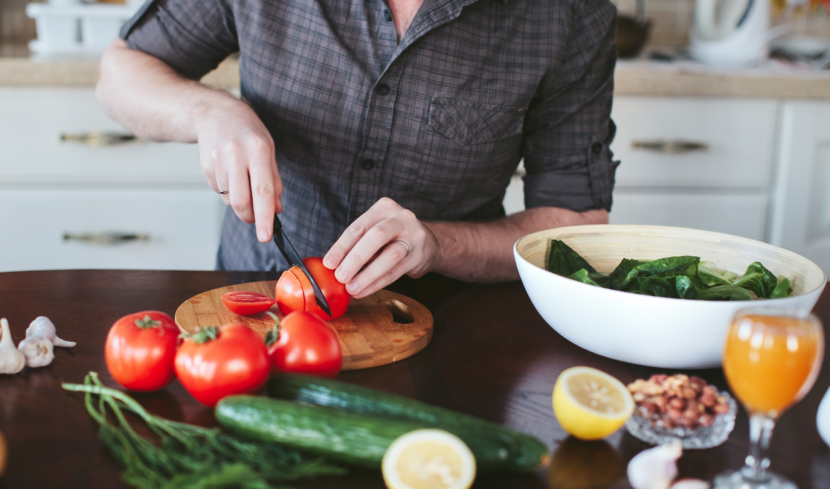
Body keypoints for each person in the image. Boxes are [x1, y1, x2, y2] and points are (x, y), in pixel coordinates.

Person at [98, 0, 618, 299]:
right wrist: (210, 111)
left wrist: (437, 243)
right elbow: (121, 73)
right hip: (256, 303)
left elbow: (577, 226)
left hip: (447, 322)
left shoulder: (570, 14)